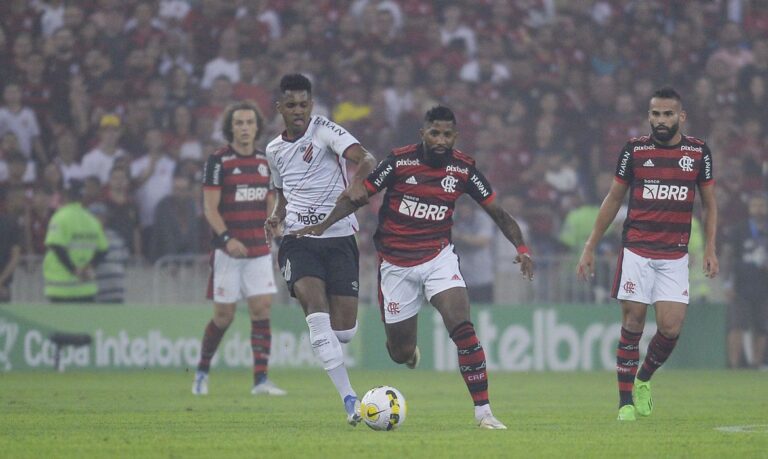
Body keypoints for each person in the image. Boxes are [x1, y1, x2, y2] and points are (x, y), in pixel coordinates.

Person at [293, 105, 534, 429]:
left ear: (455, 136)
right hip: (395, 265)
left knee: (462, 326)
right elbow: (359, 197)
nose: (440, 140)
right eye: (434, 133)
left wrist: (521, 247)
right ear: (423, 133)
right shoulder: (399, 162)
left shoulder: (464, 170)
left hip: (438, 258)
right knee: (399, 351)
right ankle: (409, 354)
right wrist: (323, 225)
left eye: (447, 134)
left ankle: (484, 413)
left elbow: (499, 213)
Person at [576, 87, 719, 421]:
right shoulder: (635, 150)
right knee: (633, 321)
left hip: (674, 255)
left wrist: (710, 247)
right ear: (649, 116)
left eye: (668, 114)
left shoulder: (698, 152)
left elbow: (710, 204)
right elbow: (613, 199)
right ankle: (625, 402)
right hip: (637, 250)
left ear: (680, 117)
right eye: (655, 114)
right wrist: (590, 246)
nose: (661, 120)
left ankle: (643, 379)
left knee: (670, 328)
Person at [264, 74, 377, 425]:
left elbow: (367, 158)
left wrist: (356, 183)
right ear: (279, 107)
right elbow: (283, 192)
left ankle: (336, 359)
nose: (298, 111)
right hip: (298, 240)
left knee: (343, 331)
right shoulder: (273, 150)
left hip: (340, 238)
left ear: (311, 105)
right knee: (315, 308)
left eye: (303, 104)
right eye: (291, 105)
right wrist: (275, 216)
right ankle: (349, 399)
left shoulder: (325, 130)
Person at [192, 102, 285, 397]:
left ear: (257, 126)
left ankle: (260, 381)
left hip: (258, 249)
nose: (245, 128)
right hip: (228, 253)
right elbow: (209, 207)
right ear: (230, 127)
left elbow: (270, 200)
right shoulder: (218, 161)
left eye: (249, 122)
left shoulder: (265, 161)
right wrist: (228, 238)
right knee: (224, 317)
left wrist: (275, 223)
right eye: (239, 123)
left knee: (261, 310)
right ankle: (202, 372)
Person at [43, 179, 109, 303]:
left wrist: (73, 269)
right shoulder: (91, 219)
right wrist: (90, 267)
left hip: (60, 288)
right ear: (82, 196)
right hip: (86, 287)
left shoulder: (60, 217)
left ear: (64, 195)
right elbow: (103, 250)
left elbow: (55, 246)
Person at [726, 193, 768, 369]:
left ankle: (757, 364)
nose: (758, 209)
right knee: (737, 325)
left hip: (764, 285)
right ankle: (734, 365)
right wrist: (727, 283)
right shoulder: (739, 229)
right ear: (749, 208)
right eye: (755, 205)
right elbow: (728, 256)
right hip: (741, 285)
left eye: (762, 205)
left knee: (762, 326)